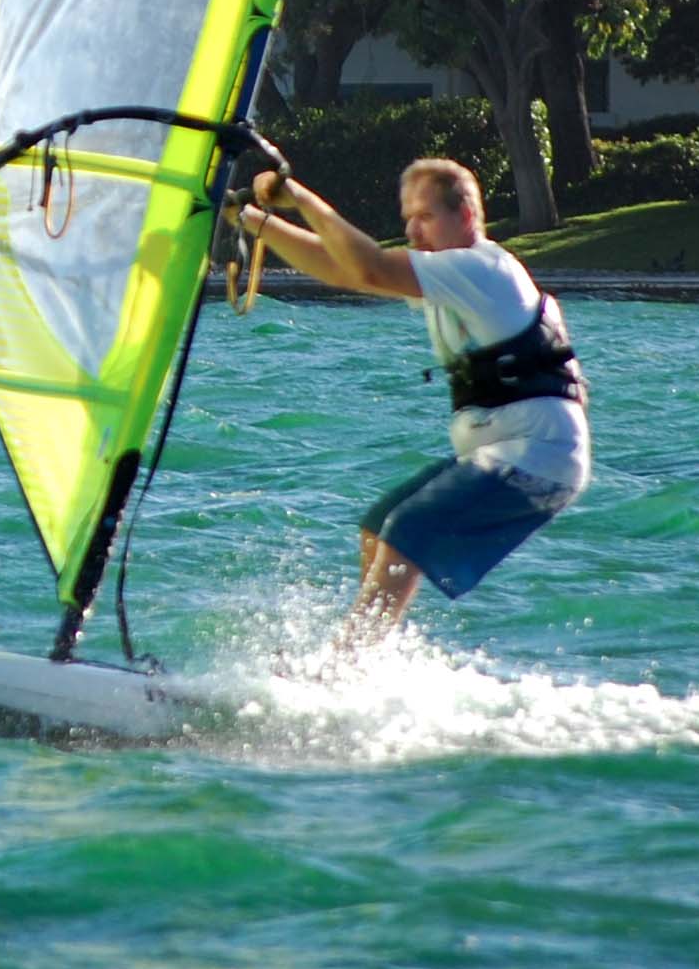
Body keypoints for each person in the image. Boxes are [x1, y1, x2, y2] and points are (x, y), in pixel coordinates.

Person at [237, 156, 589, 650]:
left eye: (424, 216)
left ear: (465, 215)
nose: (411, 229)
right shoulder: (451, 275)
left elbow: (370, 264)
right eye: (407, 217)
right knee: (379, 526)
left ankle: (346, 663)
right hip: (508, 450)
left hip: (538, 454)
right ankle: (367, 657)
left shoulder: (483, 269)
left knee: (408, 530)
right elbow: (347, 272)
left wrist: (294, 196)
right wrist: (254, 221)